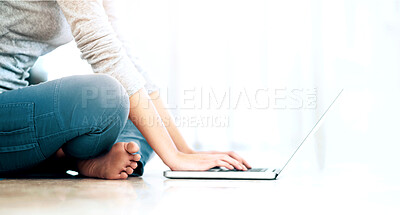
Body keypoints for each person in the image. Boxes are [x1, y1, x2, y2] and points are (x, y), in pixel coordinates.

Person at [0, 0, 251, 179]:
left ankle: (78, 158)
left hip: (13, 102)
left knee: (142, 121)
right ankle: (74, 159)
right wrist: (173, 158)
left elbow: (122, 53)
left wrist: (184, 151)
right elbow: (100, 48)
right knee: (108, 99)